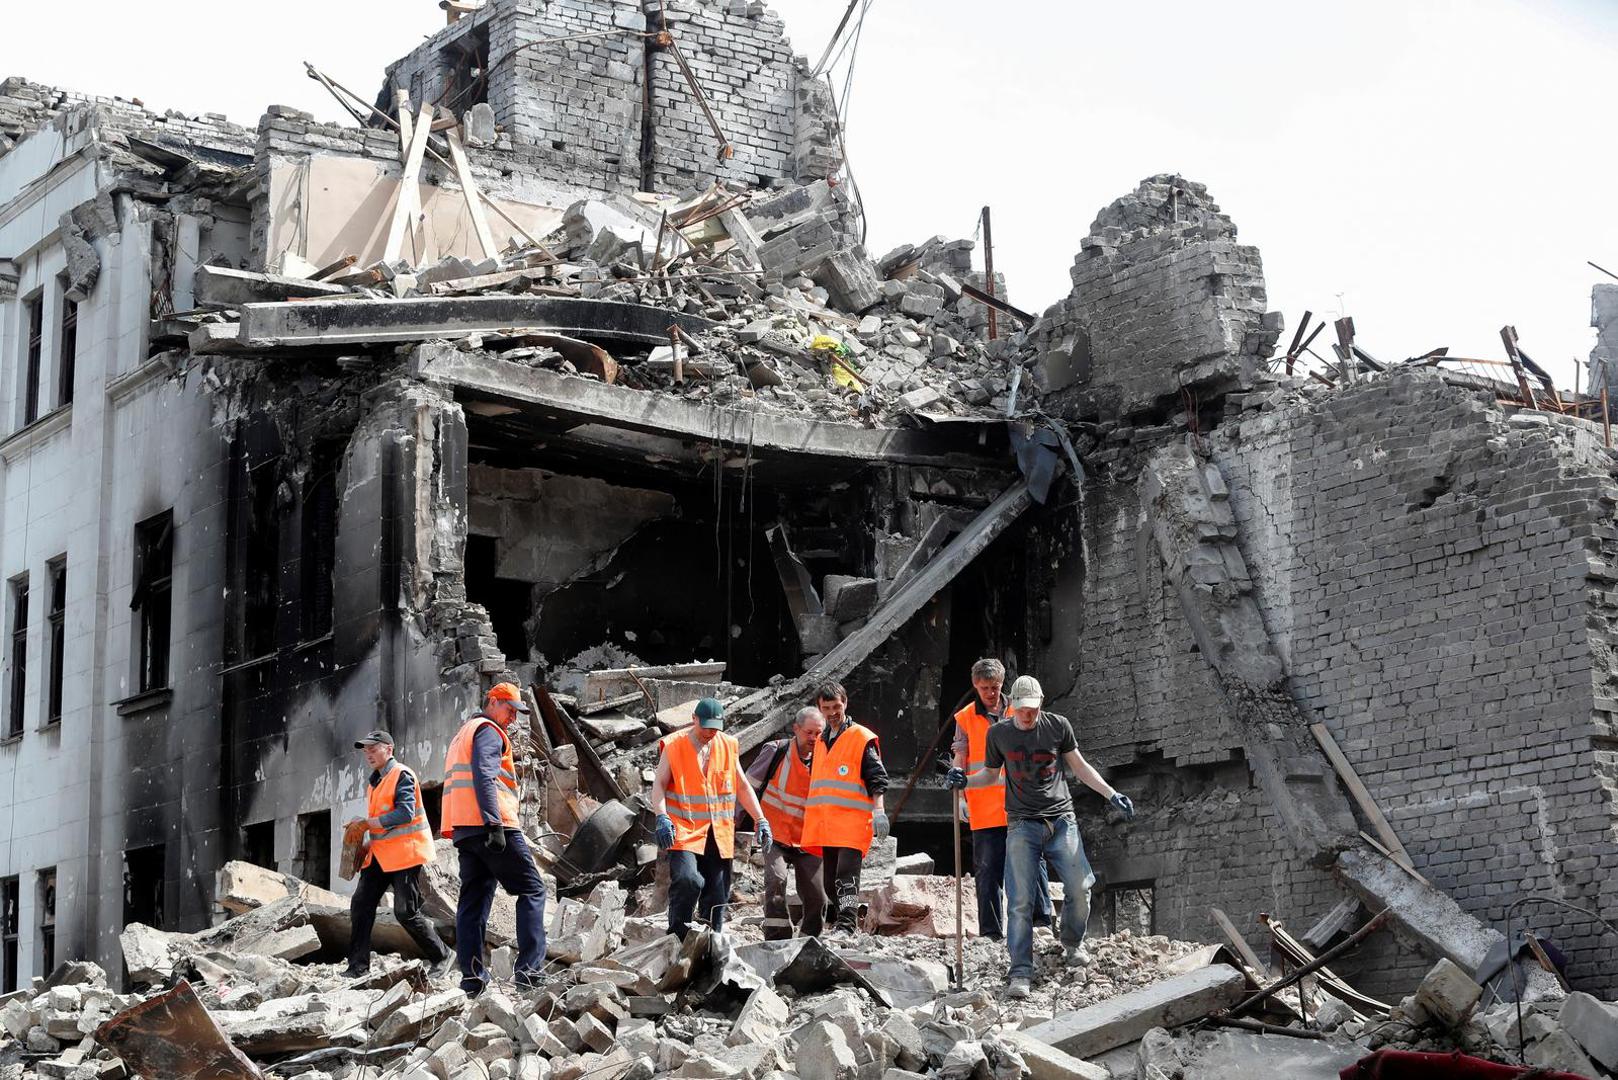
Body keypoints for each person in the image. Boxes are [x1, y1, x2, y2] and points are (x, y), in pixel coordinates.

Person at [977, 675, 1134, 1000]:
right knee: (1020, 901)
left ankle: (1072, 942)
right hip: (1022, 824)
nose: (1027, 715)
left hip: (1062, 821)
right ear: (1013, 706)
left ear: (1041, 702)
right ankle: (1020, 972)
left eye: (1032, 709)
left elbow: (1079, 766)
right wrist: (961, 780)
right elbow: (990, 776)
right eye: (1021, 709)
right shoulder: (999, 734)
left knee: (1080, 887)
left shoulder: (1057, 726)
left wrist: (1110, 793)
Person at [441, 682, 548, 995]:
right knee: (532, 889)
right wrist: (494, 824)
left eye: (516, 712)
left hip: (465, 830)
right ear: (492, 702)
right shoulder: (488, 731)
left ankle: (473, 980)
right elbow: (485, 776)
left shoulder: (464, 732)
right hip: (491, 826)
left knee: (473, 902)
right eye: (510, 709)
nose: (513, 718)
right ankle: (529, 973)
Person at [945, 659, 1052, 940]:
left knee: (1032, 861)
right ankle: (991, 932)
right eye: (984, 688)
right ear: (975, 686)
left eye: (994, 687)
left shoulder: (1020, 708)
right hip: (984, 807)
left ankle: (1042, 922)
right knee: (988, 870)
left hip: (1021, 804)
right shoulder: (966, 718)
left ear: (1002, 684)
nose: (990, 693)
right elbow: (960, 758)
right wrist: (959, 799)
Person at [650, 698, 772, 939]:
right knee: (688, 881)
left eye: (715, 728)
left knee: (717, 896)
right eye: (705, 726)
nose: (709, 732)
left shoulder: (728, 744)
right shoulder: (674, 745)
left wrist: (760, 819)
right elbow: (659, 785)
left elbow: (743, 787)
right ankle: (678, 935)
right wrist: (661, 816)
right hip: (684, 829)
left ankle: (708, 941)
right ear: (694, 719)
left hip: (718, 832)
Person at [344, 731, 453, 979]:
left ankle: (442, 955)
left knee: (405, 912)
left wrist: (367, 823)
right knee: (361, 905)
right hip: (381, 855)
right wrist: (364, 842)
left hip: (405, 854)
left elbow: (404, 814)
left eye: (373, 748)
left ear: (389, 749)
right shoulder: (375, 782)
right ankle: (357, 967)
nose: (368, 753)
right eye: (365, 750)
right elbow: (382, 823)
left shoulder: (401, 775)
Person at [799, 682, 888, 935]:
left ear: (845, 704)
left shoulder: (861, 738)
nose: (832, 712)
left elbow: (877, 778)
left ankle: (847, 925)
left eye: (836, 706)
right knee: (829, 882)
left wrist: (879, 811)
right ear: (819, 708)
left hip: (852, 823)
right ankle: (841, 921)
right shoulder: (821, 741)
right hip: (827, 825)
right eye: (826, 708)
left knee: (846, 877)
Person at [745, 706, 828, 940]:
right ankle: (776, 938)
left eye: (818, 734)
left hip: (808, 838)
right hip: (775, 833)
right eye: (809, 732)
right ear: (796, 729)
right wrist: (733, 821)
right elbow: (747, 788)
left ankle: (809, 940)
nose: (813, 738)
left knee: (817, 896)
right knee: (776, 882)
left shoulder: (825, 759)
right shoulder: (776, 752)